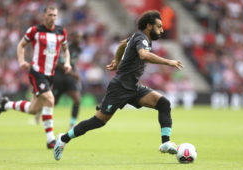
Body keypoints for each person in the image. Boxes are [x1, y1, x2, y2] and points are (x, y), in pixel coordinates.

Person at [53, 10, 183, 160]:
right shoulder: (141, 38)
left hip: (133, 87)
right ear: (149, 26)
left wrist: (116, 61)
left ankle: (165, 143)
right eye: (159, 26)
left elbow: (122, 45)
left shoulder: (137, 36)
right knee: (98, 121)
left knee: (163, 103)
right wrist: (168, 62)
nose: (161, 30)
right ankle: (63, 139)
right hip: (119, 88)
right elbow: (143, 55)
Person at [0, 6, 72, 149]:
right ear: (43, 15)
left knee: (33, 109)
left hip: (49, 74)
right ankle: (51, 140)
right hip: (37, 72)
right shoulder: (35, 30)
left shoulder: (61, 31)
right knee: (50, 99)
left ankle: (6, 104)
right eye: (50, 15)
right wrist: (21, 61)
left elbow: (66, 49)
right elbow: (21, 45)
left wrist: (67, 62)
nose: (52, 18)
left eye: (54, 15)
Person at [35, 31, 82, 129]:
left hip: (69, 79)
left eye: (80, 37)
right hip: (60, 78)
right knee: (53, 102)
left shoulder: (79, 50)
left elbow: (73, 64)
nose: (78, 39)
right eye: (76, 37)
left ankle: (72, 124)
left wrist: (76, 73)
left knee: (77, 100)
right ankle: (39, 110)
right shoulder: (66, 48)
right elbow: (60, 64)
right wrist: (74, 74)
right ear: (72, 38)